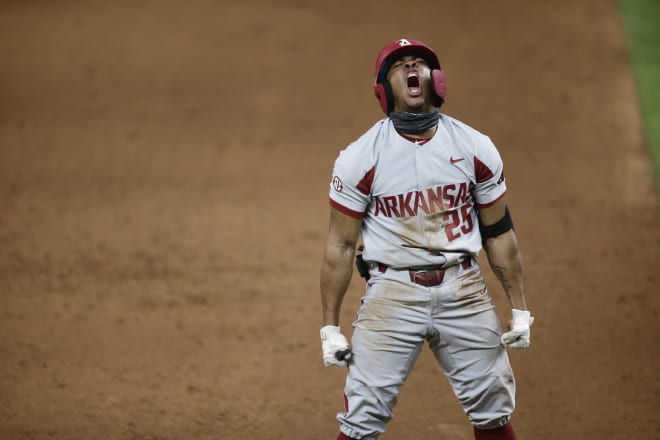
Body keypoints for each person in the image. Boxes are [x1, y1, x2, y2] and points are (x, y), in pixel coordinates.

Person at [319, 38, 534, 440]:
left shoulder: (474, 147)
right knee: (362, 416)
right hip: (392, 292)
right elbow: (341, 245)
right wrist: (330, 327)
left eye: (419, 63)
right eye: (400, 65)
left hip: (463, 289)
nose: (412, 68)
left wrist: (519, 307)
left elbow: (499, 231)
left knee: (493, 407)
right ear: (384, 88)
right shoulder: (360, 157)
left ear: (436, 80)